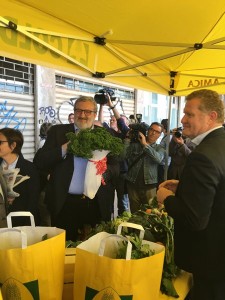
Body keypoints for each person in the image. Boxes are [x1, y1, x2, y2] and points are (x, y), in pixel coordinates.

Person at [157, 89, 225, 300]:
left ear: (211, 116)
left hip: (210, 260)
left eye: (189, 114)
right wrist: (186, 186)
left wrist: (166, 198)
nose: (183, 119)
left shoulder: (203, 156)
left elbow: (194, 219)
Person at [33, 96, 119, 241]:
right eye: (78, 110)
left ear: (94, 114)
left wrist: (103, 174)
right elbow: (40, 161)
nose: (82, 115)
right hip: (64, 203)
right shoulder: (57, 132)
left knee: (94, 246)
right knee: (64, 247)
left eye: (87, 111)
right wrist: (64, 148)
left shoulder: (106, 134)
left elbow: (117, 166)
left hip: (96, 202)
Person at [0, 128, 40, 226]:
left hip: (20, 223)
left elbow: (33, 202)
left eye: (0, 142)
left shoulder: (30, 169)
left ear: (13, 145)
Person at [125, 122, 165, 213]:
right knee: (135, 214)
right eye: (152, 130)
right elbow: (122, 156)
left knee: (150, 214)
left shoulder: (160, 148)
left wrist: (145, 144)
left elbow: (158, 159)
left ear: (160, 135)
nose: (153, 133)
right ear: (148, 130)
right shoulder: (135, 145)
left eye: (157, 132)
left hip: (150, 187)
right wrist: (127, 139)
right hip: (133, 184)